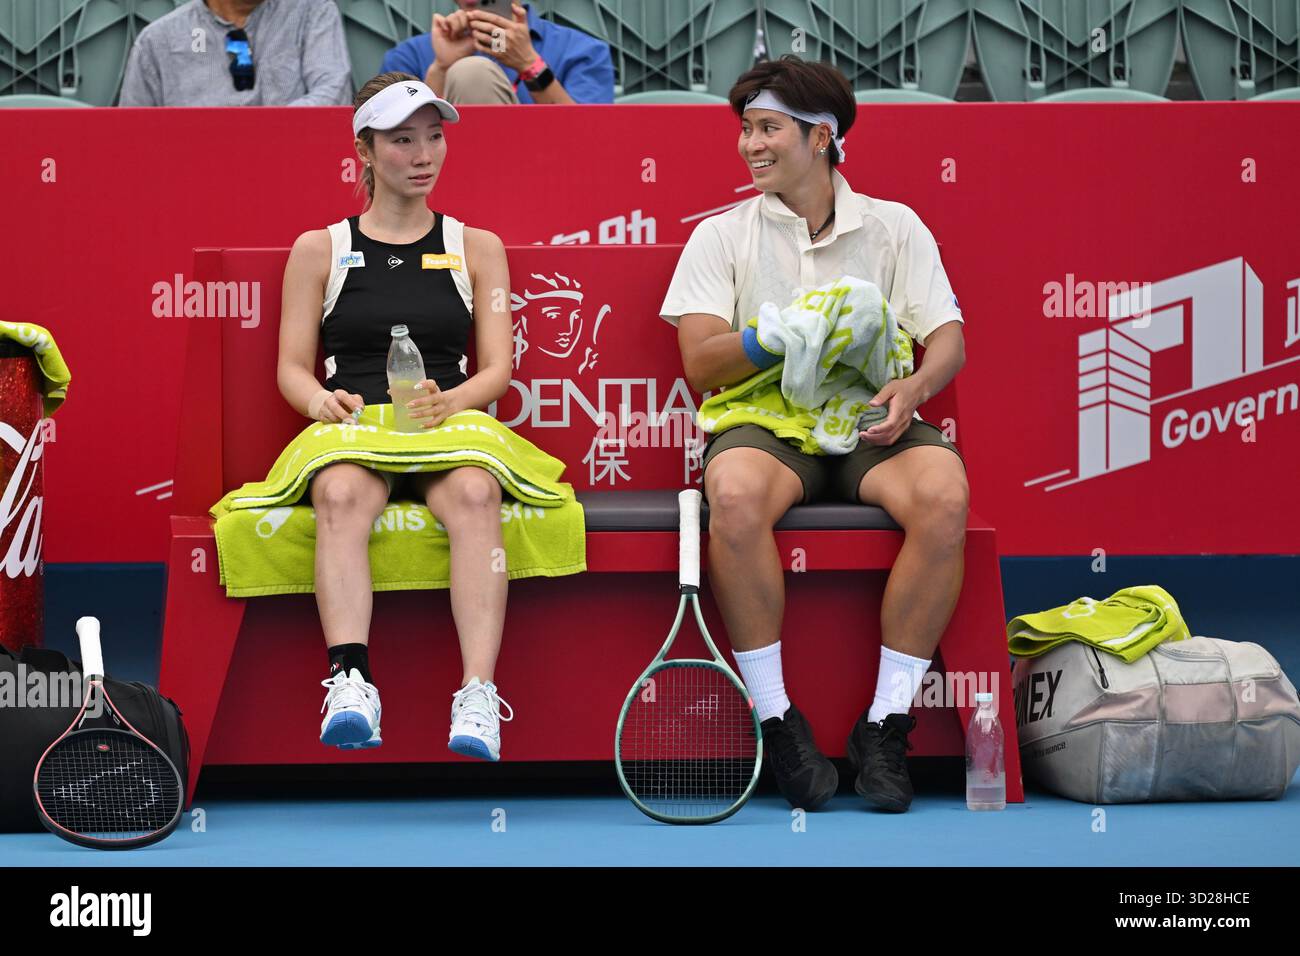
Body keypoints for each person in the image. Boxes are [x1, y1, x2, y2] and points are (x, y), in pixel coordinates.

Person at [659, 56, 969, 813]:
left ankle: (886, 723)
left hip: (872, 423)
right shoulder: (720, 237)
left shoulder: (895, 228)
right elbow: (701, 364)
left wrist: (914, 388)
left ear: (822, 138)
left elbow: (949, 338)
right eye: (746, 130)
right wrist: (781, 335)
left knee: (945, 496)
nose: (750, 145)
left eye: (768, 129)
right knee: (730, 497)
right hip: (766, 426)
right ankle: (777, 721)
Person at [278, 72, 515, 760]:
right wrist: (320, 402)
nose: (423, 154)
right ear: (366, 151)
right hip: (357, 428)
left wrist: (453, 401)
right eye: (403, 140)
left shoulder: (479, 247)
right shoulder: (319, 249)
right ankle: (351, 680)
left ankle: (476, 694)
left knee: (475, 492)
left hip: (447, 423)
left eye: (434, 137)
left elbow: (497, 368)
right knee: (342, 491)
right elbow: (293, 367)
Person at [119, 0, 352, 107]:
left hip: (290, 170)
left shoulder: (314, 12)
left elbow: (333, 93)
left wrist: (258, 135)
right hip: (192, 181)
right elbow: (131, 135)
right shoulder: (157, 41)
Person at [380, 1, 614, 105]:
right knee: (472, 73)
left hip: (548, 180)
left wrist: (531, 65)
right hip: (439, 189)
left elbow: (589, 140)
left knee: (473, 72)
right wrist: (440, 70)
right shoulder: (408, 56)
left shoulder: (584, 51)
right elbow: (386, 142)